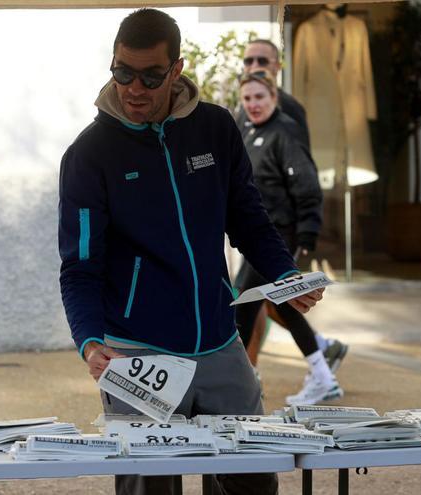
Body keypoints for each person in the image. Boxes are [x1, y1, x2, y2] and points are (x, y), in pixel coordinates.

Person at [58, 9, 324, 495]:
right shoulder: (88, 155)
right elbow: (79, 267)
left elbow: (248, 220)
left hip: (221, 343)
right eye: (122, 72)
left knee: (251, 479)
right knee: (149, 487)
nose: (134, 88)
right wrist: (90, 341)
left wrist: (286, 275)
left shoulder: (217, 129)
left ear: (176, 70)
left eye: (150, 76)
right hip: (137, 353)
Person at [235, 38, 349, 374]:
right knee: (268, 300)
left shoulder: (287, 116)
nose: (254, 64)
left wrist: (306, 231)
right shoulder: (244, 113)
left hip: (281, 228)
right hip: (254, 225)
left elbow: (302, 176)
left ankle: (247, 376)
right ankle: (322, 353)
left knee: (251, 301)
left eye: (262, 59)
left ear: (277, 66)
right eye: (248, 59)